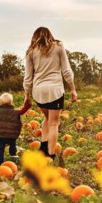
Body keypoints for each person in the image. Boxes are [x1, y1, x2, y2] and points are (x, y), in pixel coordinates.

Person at [23, 27, 77, 162]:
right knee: (53, 123)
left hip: (38, 91)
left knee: (47, 118)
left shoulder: (31, 51)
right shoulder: (58, 46)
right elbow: (66, 71)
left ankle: (43, 147)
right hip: (55, 90)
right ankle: (50, 155)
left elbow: (28, 77)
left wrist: (26, 95)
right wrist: (73, 89)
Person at [0, 92, 31, 166]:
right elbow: (24, 110)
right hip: (12, 135)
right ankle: (13, 156)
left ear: (0, 102)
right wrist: (27, 103)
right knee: (13, 145)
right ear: (11, 102)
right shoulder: (16, 112)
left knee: (0, 148)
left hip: (0, 135)